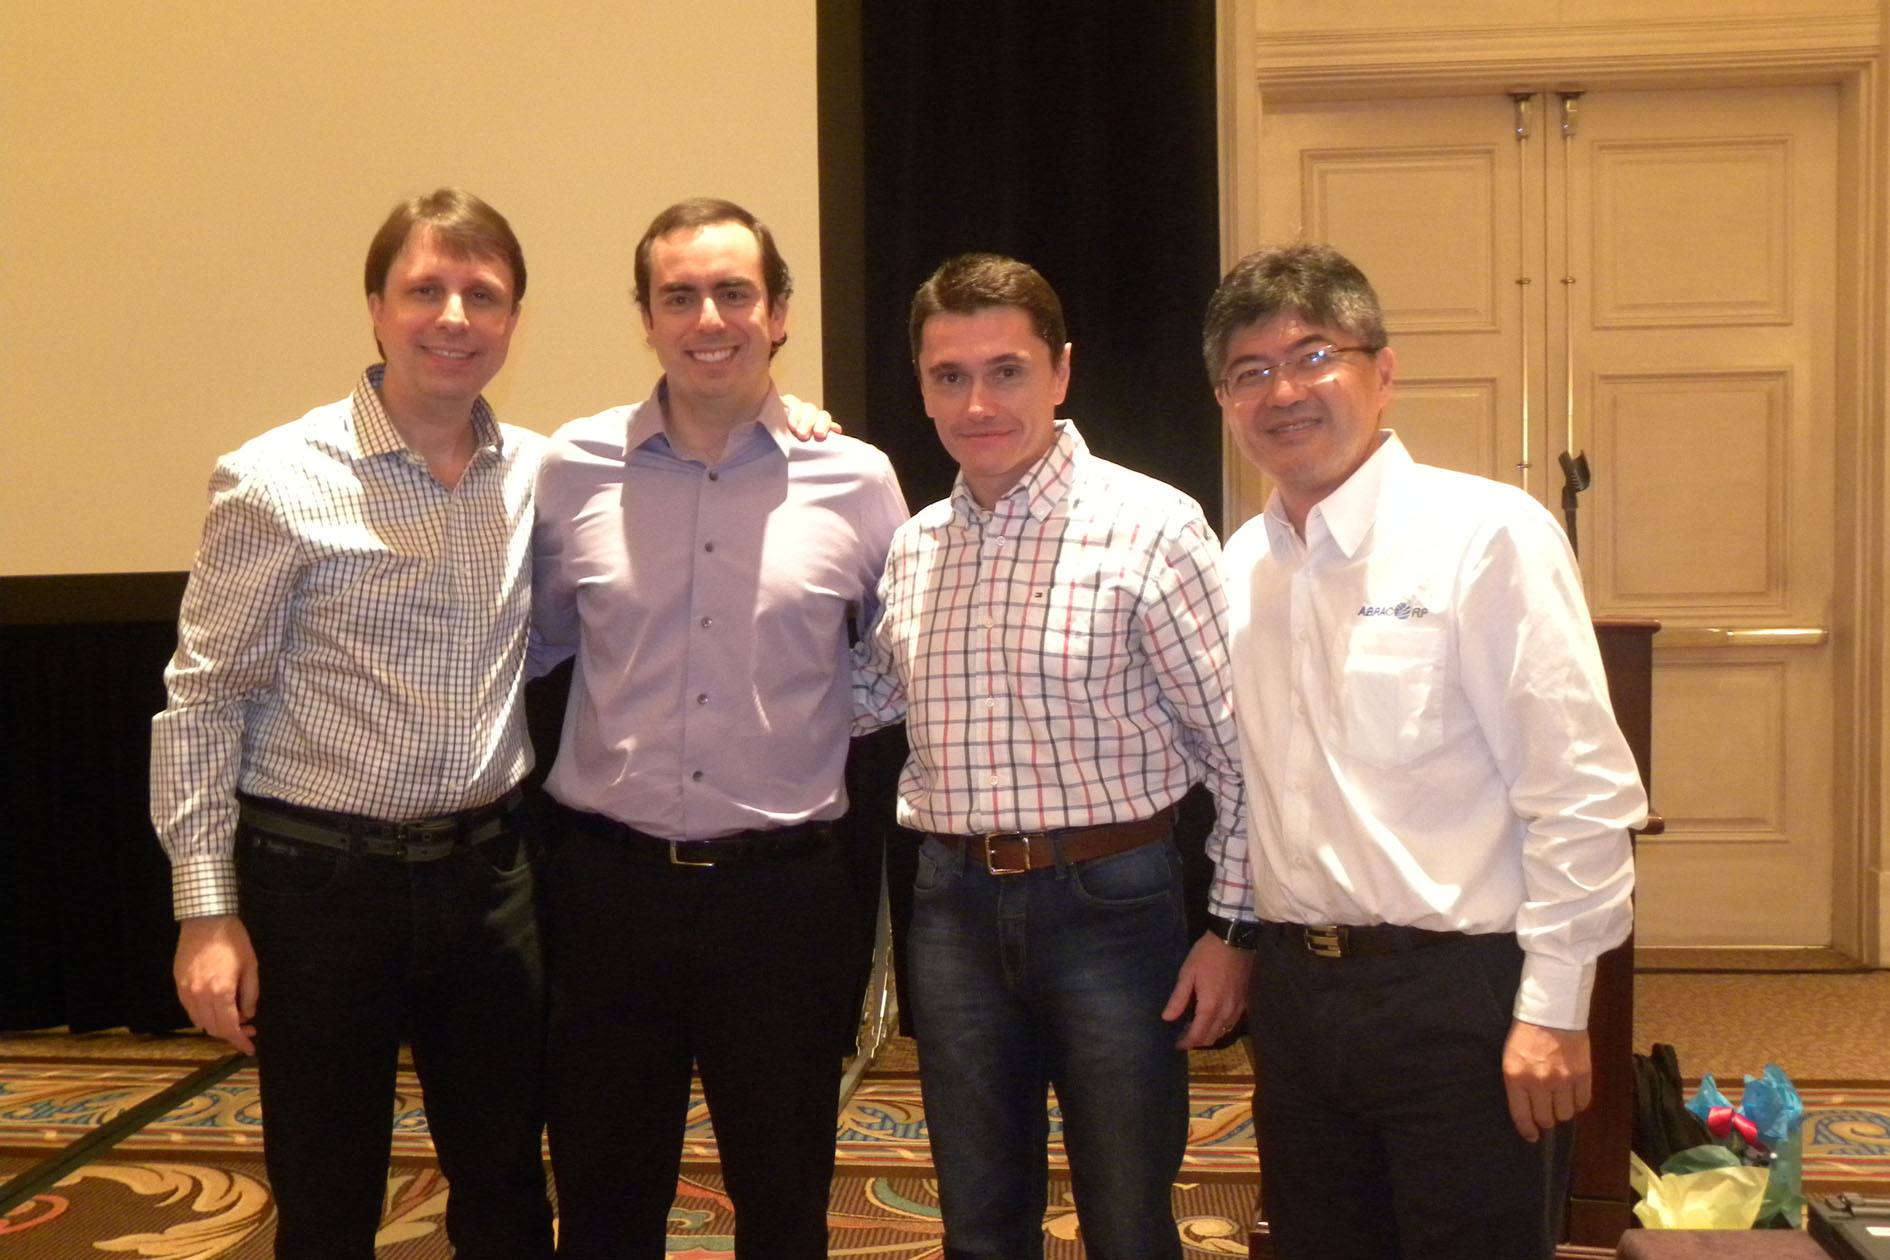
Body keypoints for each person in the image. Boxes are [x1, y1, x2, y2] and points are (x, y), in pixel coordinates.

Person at [1205, 241, 1646, 1260]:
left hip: (1459, 997)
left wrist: (1556, 1007)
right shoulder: (1243, 566)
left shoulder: (1486, 536)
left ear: (1384, 371)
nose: (1283, 392)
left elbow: (1580, 793)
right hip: (1299, 997)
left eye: (1314, 357)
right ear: (1226, 402)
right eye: (1249, 372)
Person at [150, 188, 553, 1260]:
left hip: (490, 881)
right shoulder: (273, 479)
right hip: (320, 889)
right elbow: (204, 699)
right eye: (425, 290)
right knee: (327, 1202)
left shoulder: (542, 474)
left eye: (483, 295)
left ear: (514, 320)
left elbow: (675, 448)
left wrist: (787, 415)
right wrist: (206, 914)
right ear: (376, 308)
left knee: (509, 1187)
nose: (454, 317)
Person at [853, 253, 1255, 1260]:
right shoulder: (917, 546)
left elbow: (1239, 753)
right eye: (949, 376)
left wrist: (1233, 929)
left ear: (1062, 371)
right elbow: (866, 702)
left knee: (1127, 1218)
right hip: (951, 910)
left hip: (1112, 907)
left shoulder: (1153, 527)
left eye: (1008, 371)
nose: (977, 403)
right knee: (978, 1221)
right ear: (921, 387)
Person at [531, 197, 908, 1260]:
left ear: (778, 314)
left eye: (734, 293)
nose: (709, 319)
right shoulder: (571, 468)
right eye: (680, 296)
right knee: (603, 1205)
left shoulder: (857, 478)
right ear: (646, 318)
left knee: (785, 1206)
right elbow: (545, 644)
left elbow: (898, 659)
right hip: (608, 894)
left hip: (782, 904)